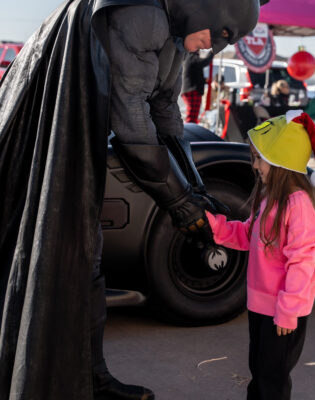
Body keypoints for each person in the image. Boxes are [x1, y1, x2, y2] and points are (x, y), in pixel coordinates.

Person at [0, 0, 266, 399]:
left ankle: (91, 377)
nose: (209, 49)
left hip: (77, 134)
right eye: (217, 36)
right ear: (205, 12)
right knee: (58, 253)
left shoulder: (174, 32)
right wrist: (181, 205)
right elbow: (132, 123)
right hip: (45, 137)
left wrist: (196, 192)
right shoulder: (144, 17)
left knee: (85, 255)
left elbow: (164, 112)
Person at [205, 110, 315, 400]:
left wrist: (288, 312)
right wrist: (214, 227)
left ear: (281, 162)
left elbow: (303, 263)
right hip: (261, 306)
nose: (255, 165)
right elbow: (249, 236)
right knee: (260, 372)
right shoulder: (270, 200)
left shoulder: (297, 206)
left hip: (284, 313)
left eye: (259, 158)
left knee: (272, 379)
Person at [181, 50, 214, 123]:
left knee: (193, 115)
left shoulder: (189, 58)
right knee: (192, 116)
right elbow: (204, 62)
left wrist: (204, 81)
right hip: (191, 91)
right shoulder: (192, 57)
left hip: (191, 90)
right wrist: (211, 54)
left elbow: (195, 75)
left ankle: (190, 130)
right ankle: (189, 131)